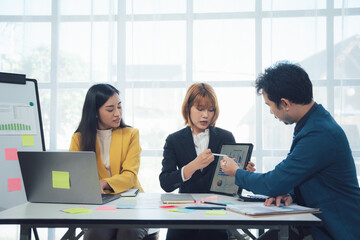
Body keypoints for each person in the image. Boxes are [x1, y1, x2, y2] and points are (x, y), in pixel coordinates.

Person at [221, 61, 360, 240]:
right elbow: (309, 177)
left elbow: (272, 183)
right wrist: (291, 194)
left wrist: (236, 172)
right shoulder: (313, 123)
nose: (271, 112)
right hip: (317, 223)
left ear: (285, 103)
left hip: (336, 230)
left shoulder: (319, 134)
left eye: (270, 105)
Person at [159, 82, 255, 240]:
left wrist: (243, 174)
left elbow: (232, 188)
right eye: (200, 109)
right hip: (183, 214)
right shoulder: (174, 140)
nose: (206, 115)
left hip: (217, 214)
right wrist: (193, 166)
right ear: (188, 107)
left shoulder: (226, 137)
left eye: (211, 110)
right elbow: (166, 183)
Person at [69, 83, 147, 240]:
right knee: (96, 234)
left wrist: (103, 183)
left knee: (128, 233)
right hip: (100, 205)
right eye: (110, 109)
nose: (118, 113)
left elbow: (130, 176)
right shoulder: (79, 138)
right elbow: (75, 176)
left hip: (131, 203)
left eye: (119, 107)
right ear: (95, 113)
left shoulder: (131, 134)